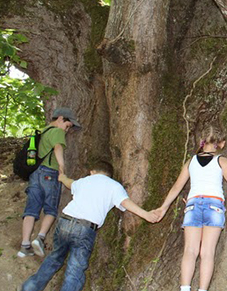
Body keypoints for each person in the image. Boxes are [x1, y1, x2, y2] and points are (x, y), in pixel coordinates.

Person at [153, 129, 227, 291]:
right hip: (213, 205)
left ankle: (185, 288)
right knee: (207, 252)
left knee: (190, 250)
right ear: (220, 143)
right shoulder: (221, 161)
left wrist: (163, 207)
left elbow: (176, 187)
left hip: (193, 204)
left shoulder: (190, 162)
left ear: (202, 142)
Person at [19, 160, 158, 291]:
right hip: (85, 229)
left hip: (65, 221)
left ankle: (29, 288)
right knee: (75, 269)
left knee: (54, 258)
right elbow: (125, 202)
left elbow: (70, 183)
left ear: (92, 172)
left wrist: (62, 178)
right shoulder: (115, 186)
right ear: (109, 175)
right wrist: (146, 214)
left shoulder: (85, 181)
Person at [18, 107, 81, 258]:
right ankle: (40, 238)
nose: (66, 130)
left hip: (35, 174)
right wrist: (61, 167)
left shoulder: (42, 131)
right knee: (51, 209)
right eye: (67, 126)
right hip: (49, 174)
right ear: (60, 118)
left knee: (31, 209)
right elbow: (58, 147)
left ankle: (24, 245)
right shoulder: (57, 132)